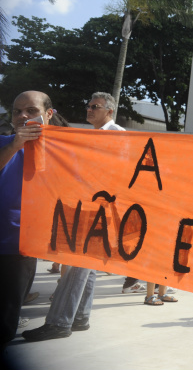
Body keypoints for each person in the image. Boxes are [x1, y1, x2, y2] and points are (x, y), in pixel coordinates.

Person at [23, 92, 128, 341]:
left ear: (109, 111)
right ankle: (80, 317)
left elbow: (117, 172)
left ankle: (60, 322)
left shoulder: (117, 134)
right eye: (88, 105)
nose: (89, 110)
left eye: (95, 107)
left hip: (98, 209)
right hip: (88, 206)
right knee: (85, 267)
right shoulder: (94, 134)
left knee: (76, 264)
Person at [1, 91, 58, 349]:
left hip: (19, 248)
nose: (23, 116)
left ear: (49, 114)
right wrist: (15, 146)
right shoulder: (3, 142)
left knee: (5, 320)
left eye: (31, 111)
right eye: (17, 111)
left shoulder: (62, 152)